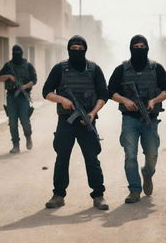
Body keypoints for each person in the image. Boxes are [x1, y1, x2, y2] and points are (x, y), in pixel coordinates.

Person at [42, 35, 109, 210]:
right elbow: (46, 91)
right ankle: (58, 195)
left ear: (85, 50)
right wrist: (61, 100)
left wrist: (93, 113)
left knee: (92, 158)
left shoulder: (94, 69)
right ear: (69, 49)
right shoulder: (60, 69)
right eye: (74, 49)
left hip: (87, 121)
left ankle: (98, 195)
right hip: (66, 121)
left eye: (80, 49)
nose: (77, 52)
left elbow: (104, 94)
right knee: (62, 158)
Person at [108, 34, 166, 203]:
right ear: (130, 48)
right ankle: (134, 190)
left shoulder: (156, 68)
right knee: (130, 155)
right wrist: (124, 100)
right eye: (136, 47)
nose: (139, 50)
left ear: (147, 48)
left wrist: (154, 100)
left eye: (142, 46)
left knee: (152, 154)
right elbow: (110, 91)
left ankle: (147, 173)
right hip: (130, 119)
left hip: (150, 119)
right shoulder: (121, 69)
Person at [0, 45, 37, 154]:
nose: (17, 54)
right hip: (11, 97)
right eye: (15, 52)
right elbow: (0, 78)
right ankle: (16, 145)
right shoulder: (8, 66)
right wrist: (9, 76)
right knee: (12, 122)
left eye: (19, 52)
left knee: (25, 120)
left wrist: (24, 87)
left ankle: (28, 137)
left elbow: (34, 80)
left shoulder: (28, 66)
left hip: (23, 97)